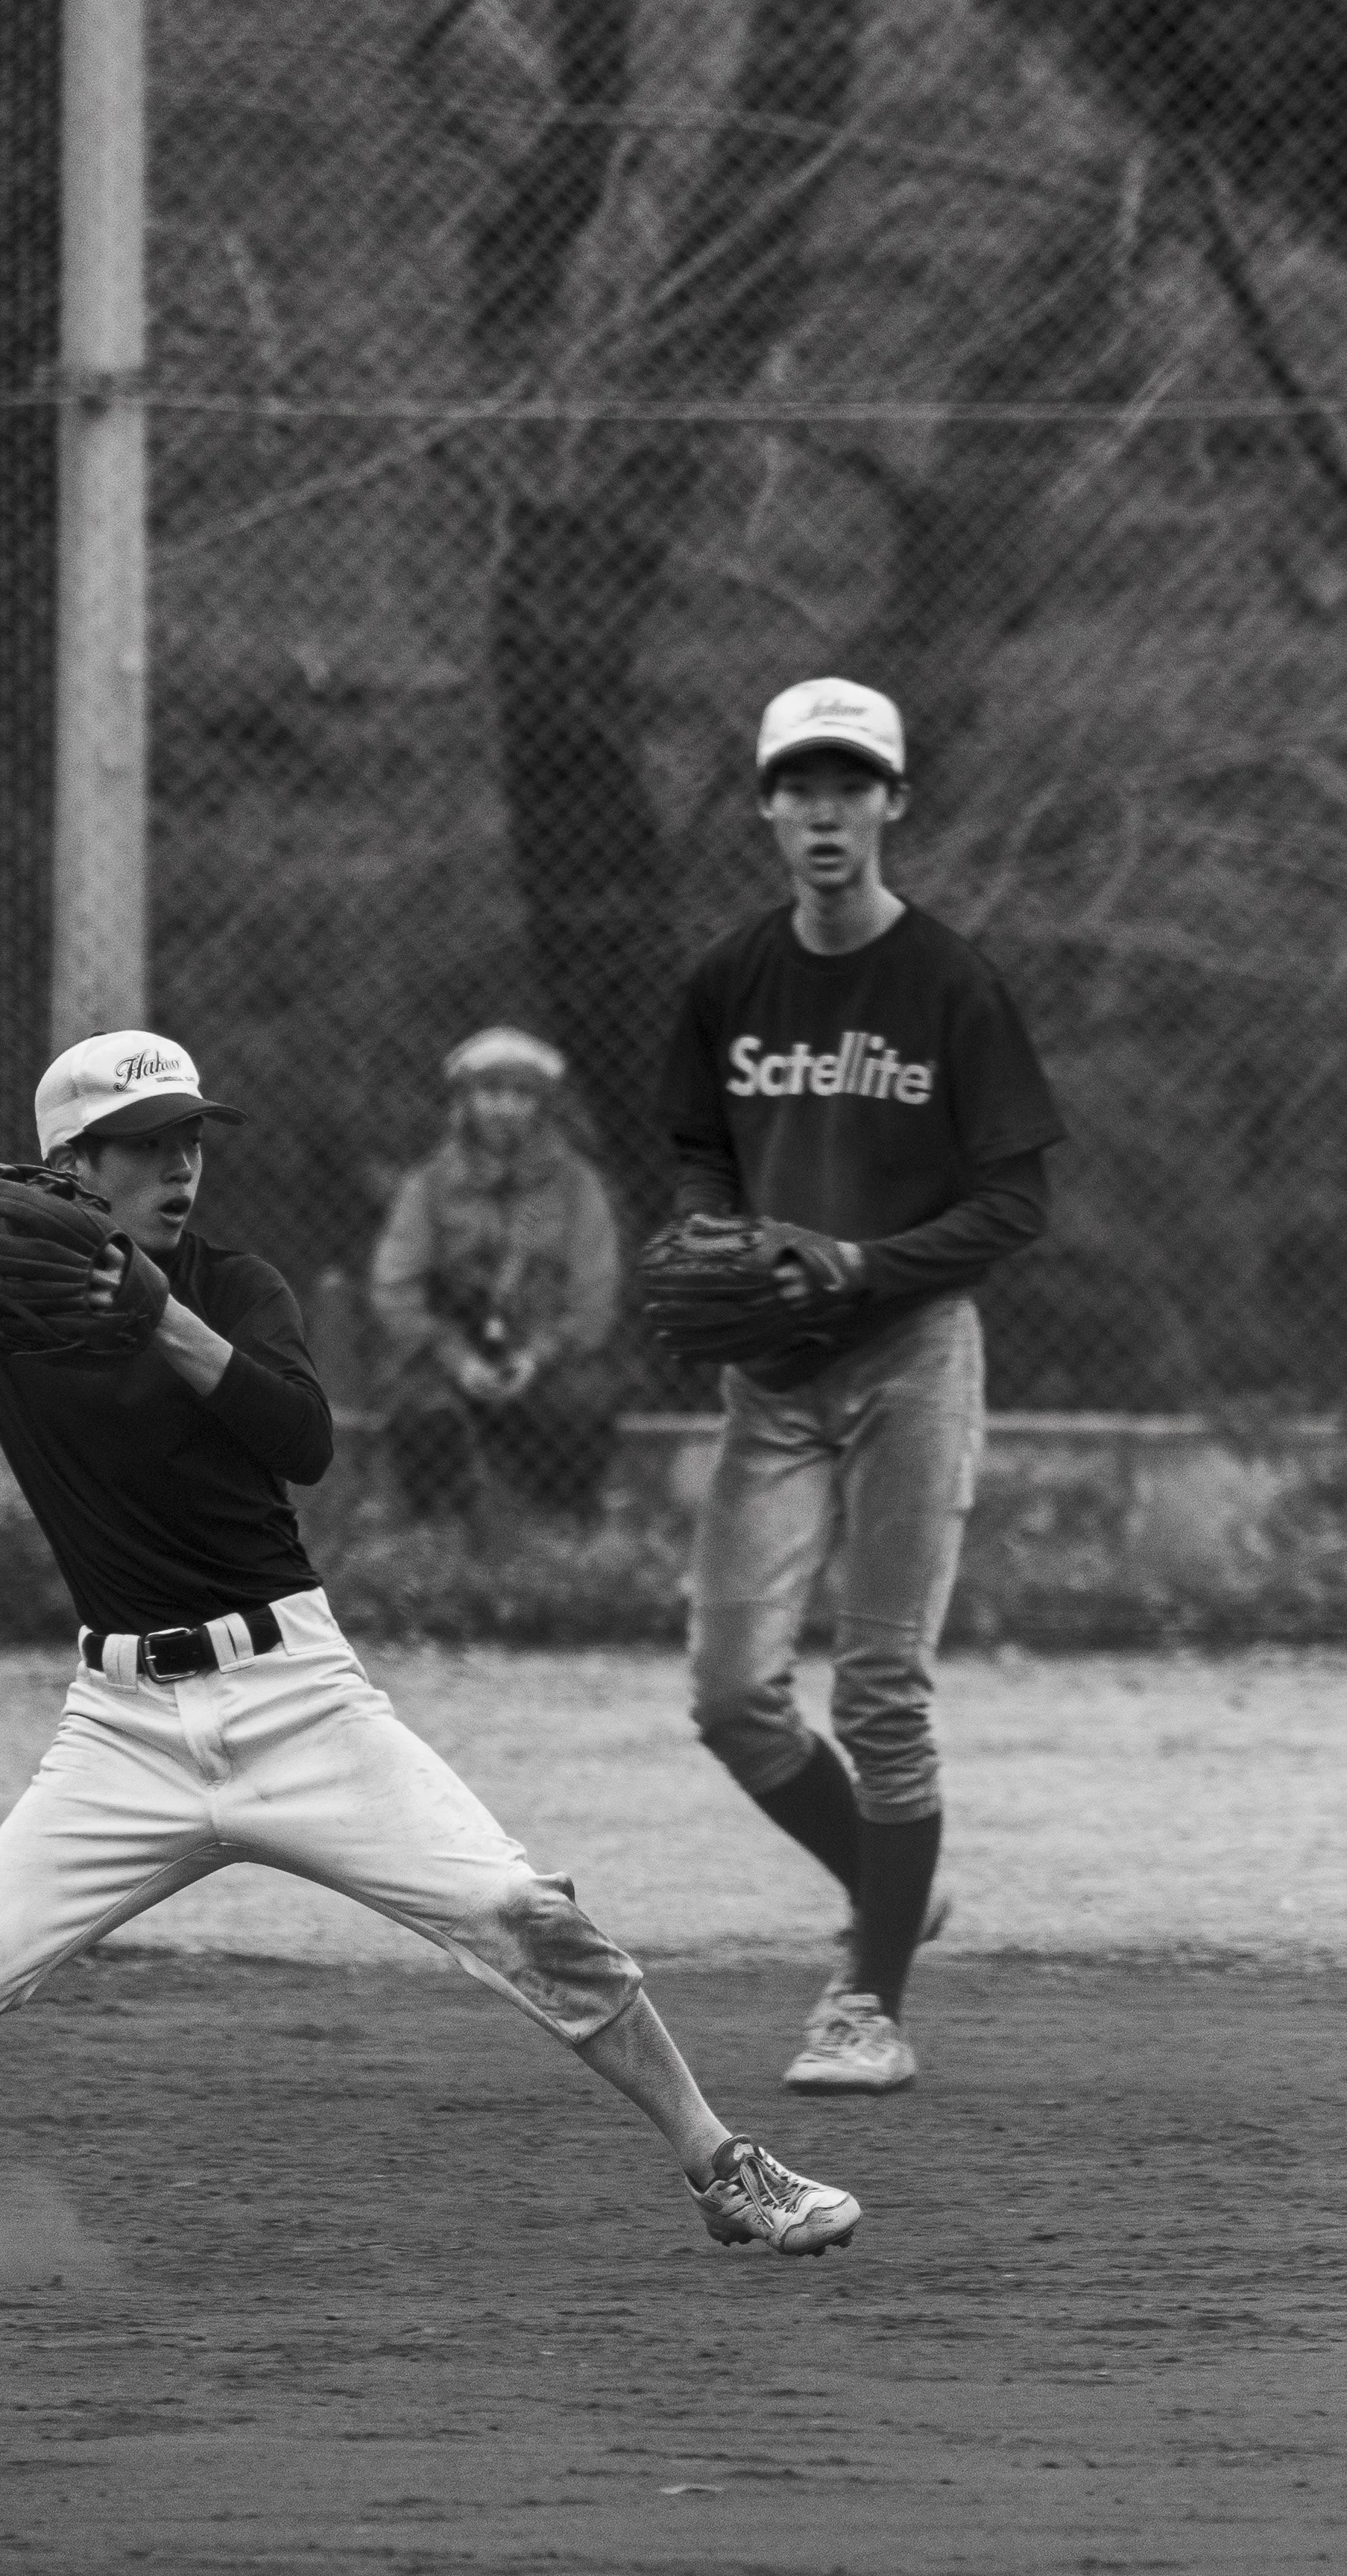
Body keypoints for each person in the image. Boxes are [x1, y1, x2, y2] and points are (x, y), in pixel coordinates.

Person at [0, 1027, 862, 2264]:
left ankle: (718, 2164)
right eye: (145, 1146)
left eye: (188, 1141)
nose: (180, 1166)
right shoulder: (4, 1322)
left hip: (295, 1696)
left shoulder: (231, 1285)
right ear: (73, 1165)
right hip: (119, 1730)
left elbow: (299, 1436)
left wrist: (162, 1318)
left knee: (522, 1915)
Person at [658, 679, 1064, 2094]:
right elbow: (698, 1147)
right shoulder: (728, 979)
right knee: (728, 1695)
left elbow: (1011, 1206)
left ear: (891, 803)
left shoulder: (948, 983)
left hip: (907, 1360)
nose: (822, 811)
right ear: (766, 806)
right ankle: (896, 1889)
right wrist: (714, 1231)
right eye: (797, 786)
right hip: (770, 1375)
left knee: (879, 1688)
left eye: (850, 786)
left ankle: (866, 2001)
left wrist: (860, 1264)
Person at [370, 1027, 622, 1518]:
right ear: (465, 1101)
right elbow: (394, 1288)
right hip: (449, 1352)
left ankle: (567, 1526)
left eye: (521, 1094)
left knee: (585, 1402)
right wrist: (454, 1357)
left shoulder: (578, 1186)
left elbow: (595, 1295)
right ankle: (433, 1530)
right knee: (422, 1411)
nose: (505, 1107)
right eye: (490, 1092)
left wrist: (539, 1355)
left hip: (546, 1354)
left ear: (543, 1105)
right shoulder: (428, 1185)